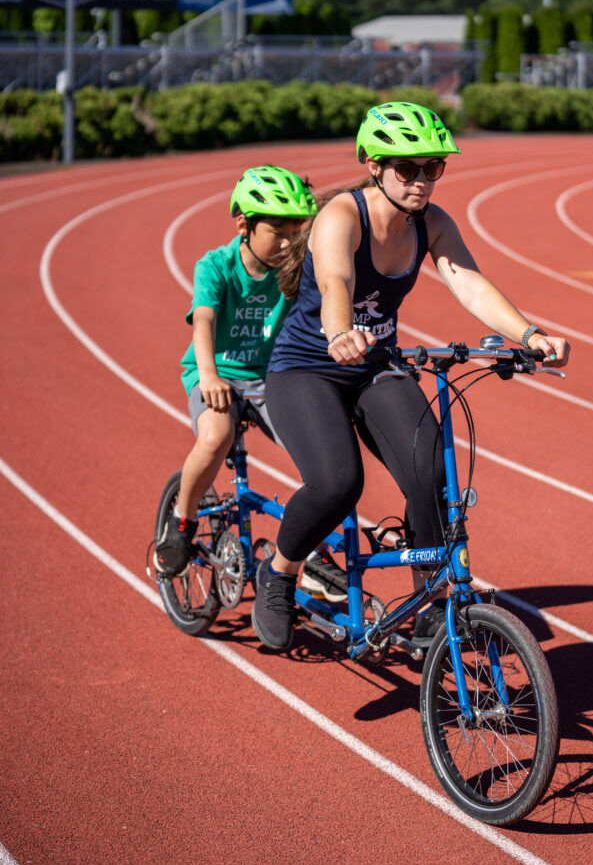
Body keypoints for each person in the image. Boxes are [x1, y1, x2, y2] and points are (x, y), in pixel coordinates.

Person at [252, 101, 571, 652]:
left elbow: (467, 281)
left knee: (433, 475)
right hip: (308, 368)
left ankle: (428, 605)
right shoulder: (342, 216)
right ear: (373, 164)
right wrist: (338, 333)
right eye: (408, 168)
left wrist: (529, 335)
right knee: (337, 482)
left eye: (433, 168)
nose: (422, 180)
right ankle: (278, 574)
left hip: (375, 366)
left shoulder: (433, 223)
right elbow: (334, 282)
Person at [154, 164, 322, 579]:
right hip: (217, 372)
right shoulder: (216, 266)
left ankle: (315, 555)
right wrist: (210, 376)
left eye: (296, 232)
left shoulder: (295, 266)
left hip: (272, 376)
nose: (288, 243)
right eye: (278, 232)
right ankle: (181, 524)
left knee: (321, 453)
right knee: (215, 437)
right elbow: (205, 322)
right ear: (244, 224)